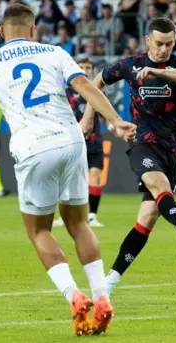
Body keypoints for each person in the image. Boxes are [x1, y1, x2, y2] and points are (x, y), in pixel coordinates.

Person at [0, 3, 137, 336]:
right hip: (71, 140)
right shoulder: (55, 52)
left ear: (2, 32)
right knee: (79, 224)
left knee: (39, 231)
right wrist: (116, 121)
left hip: (33, 147)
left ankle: (74, 296)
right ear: (33, 29)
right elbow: (86, 87)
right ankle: (101, 296)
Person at [89, 17, 176, 297]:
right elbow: (96, 83)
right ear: (148, 41)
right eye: (160, 44)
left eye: (169, 44)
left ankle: (111, 280)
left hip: (173, 150)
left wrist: (158, 73)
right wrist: (88, 117)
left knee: (149, 215)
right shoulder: (130, 65)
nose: (165, 49)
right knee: (156, 183)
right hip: (141, 142)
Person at [53, 58, 106, 228]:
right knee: (67, 179)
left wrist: (117, 128)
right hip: (72, 143)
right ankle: (65, 216)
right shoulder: (65, 92)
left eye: (88, 67)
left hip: (94, 142)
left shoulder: (97, 92)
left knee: (95, 175)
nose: (85, 69)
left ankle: (92, 215)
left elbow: (106, 116)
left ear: (92, 70)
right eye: (81, 67)